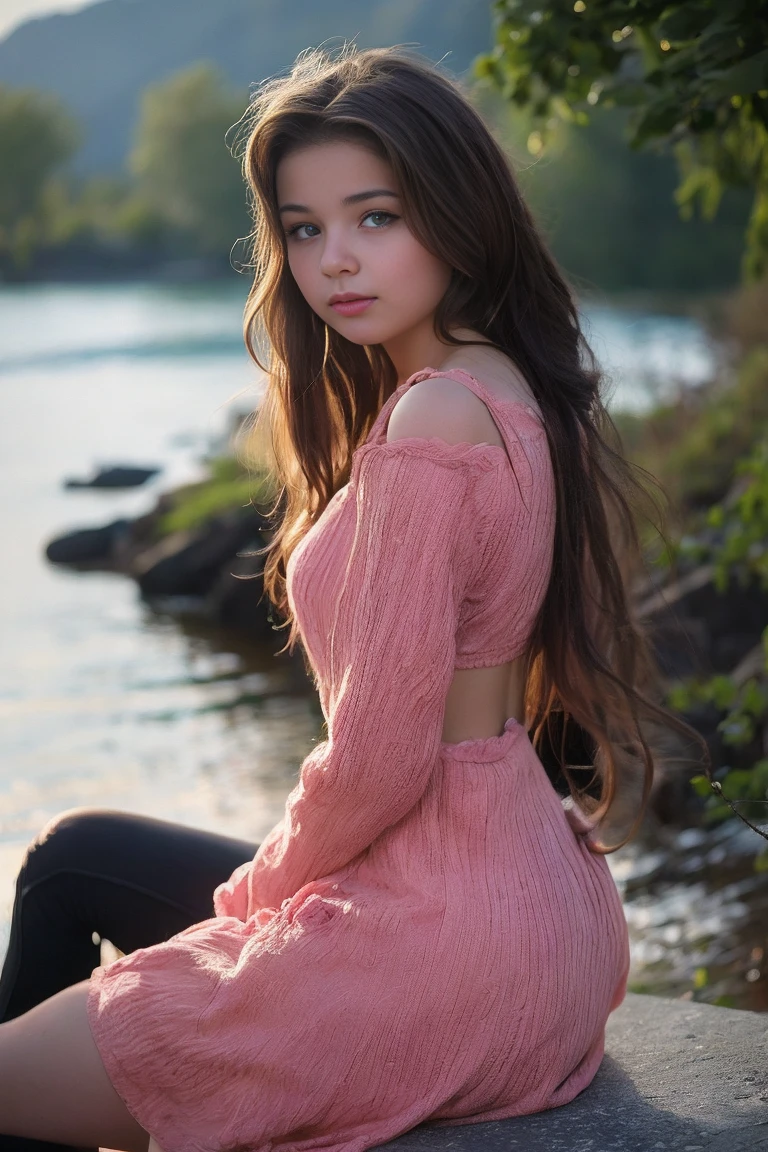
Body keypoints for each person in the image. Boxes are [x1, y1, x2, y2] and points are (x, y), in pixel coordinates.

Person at [0, 42, 703, 1152]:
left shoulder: (430, 427)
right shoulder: (511, 384)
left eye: (376, 216)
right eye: (305, 227)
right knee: (71, 858)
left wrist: (259, 896)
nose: (336, 261)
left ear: (456, 211)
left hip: (445, 937)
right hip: (536, 917)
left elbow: (381, 758)